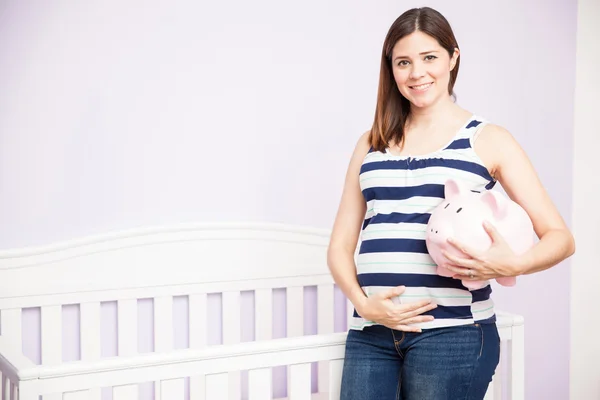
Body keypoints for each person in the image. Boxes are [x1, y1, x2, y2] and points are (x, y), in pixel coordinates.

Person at [326, 6, 575, 400]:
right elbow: (340, 246)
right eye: (403, 62)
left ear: (453, 58)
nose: (416, 73)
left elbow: (560, 236)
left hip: (452, 337)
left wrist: (513, 264)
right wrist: (363, 305)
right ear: (390, 68)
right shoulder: (370, 143)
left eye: (429, 58)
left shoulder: (487, 139)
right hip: (370, 333)